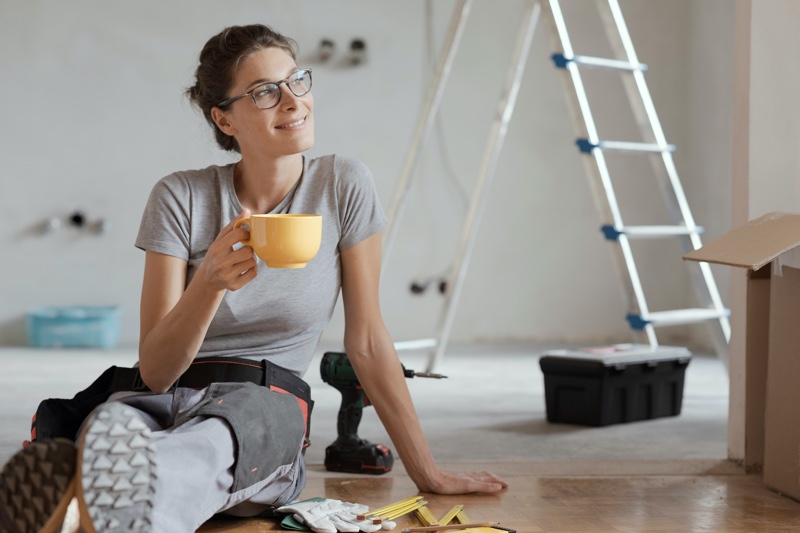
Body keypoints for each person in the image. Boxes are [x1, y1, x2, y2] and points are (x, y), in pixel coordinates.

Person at [0, 23, 507, 533]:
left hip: (264, 405)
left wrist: (428, 472)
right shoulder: (180, 197)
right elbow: (154, 372)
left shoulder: (342, 185)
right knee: (121, 422)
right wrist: (208, 285)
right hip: (157, 399)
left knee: (215, 438)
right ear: (224, 118)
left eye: (296, 81)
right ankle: (112, 494)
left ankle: (94, 498)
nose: (293, 101)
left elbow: (369, 341)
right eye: (266, 92)